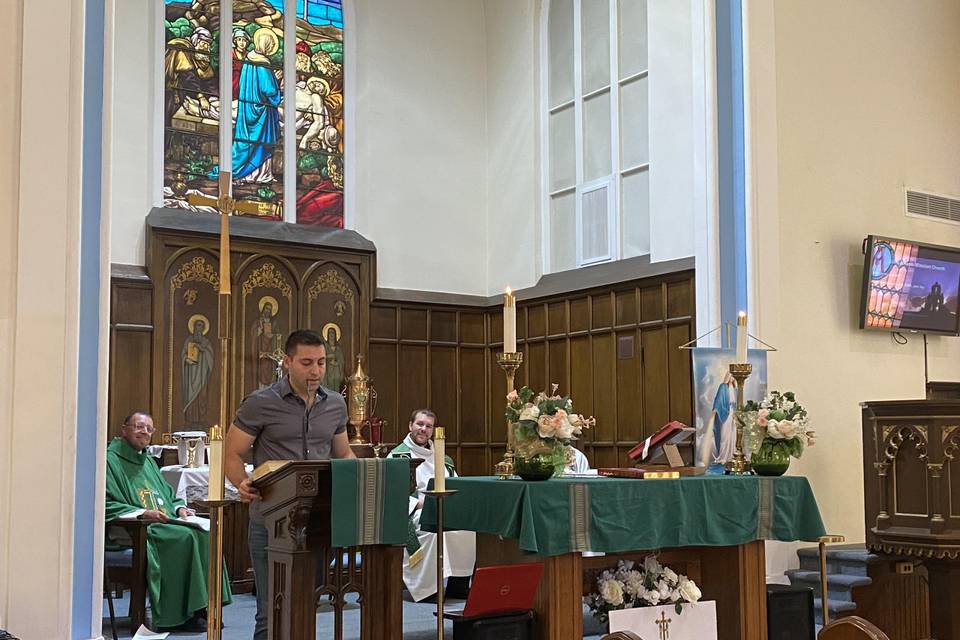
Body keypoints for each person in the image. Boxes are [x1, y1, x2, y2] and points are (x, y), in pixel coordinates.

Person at [224, 329, 356, 640]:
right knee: (272, 611)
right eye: (307, 362)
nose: (316, 371)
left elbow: (343, 452)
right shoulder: (260, 402)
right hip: (272, 519)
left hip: (320, 519)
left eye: (322, 362)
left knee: (306, 606)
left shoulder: (336, 404)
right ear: (287, 361)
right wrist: (241, 483)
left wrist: (362, 480)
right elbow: (232, 451)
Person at [105, 412, 231, 631]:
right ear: (124, 429)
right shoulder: (109, 461)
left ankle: (204, 607)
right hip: (134, 530)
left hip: (162, 523)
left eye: (148, 428)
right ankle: (181, 615)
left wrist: (180, 508)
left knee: (206, 534)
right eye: (138, 426)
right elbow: (102, 503)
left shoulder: (148, 461)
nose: (144, 431)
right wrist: (143, 513)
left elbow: (168, 495)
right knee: (183, 538)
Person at [388, 409, 476, 602]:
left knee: (467, 528)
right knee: (436, 528)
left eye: (428, 426)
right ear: (410, 426)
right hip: (413, 512)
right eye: (420, 424)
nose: (423, 429)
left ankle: (458, 585)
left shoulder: (443, 458)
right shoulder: (397, 457)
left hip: (442, 509)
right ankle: (429, 589)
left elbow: (455, 485)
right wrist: (418, 504)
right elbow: (391, 494)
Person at [181, 317, 214, 425]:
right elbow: (183, 354)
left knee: (202, 396)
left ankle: (201, 421)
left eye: (201, 326)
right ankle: (190, 420)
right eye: (197, 325)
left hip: (202, 374)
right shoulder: (189, 340)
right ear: (194, 327)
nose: (199, 328)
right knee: (190, 396)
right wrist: (186, 360)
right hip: (191, 373)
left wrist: (202, 349)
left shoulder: (206, 342)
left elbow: (210, 356)